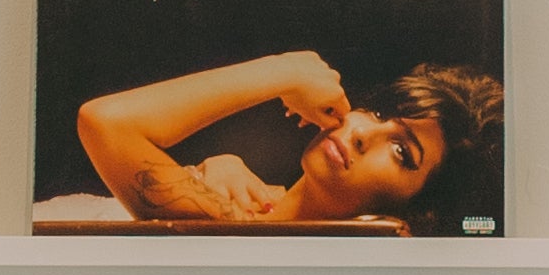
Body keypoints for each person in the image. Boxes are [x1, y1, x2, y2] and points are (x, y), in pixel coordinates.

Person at [70, 47, 504, 238]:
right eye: (377, 113)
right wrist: (213, 165)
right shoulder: (248, 200)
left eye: (401, 151)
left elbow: (106, 123)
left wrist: (284, 71)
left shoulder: (248, 232)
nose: (360, 134)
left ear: (417, 211)